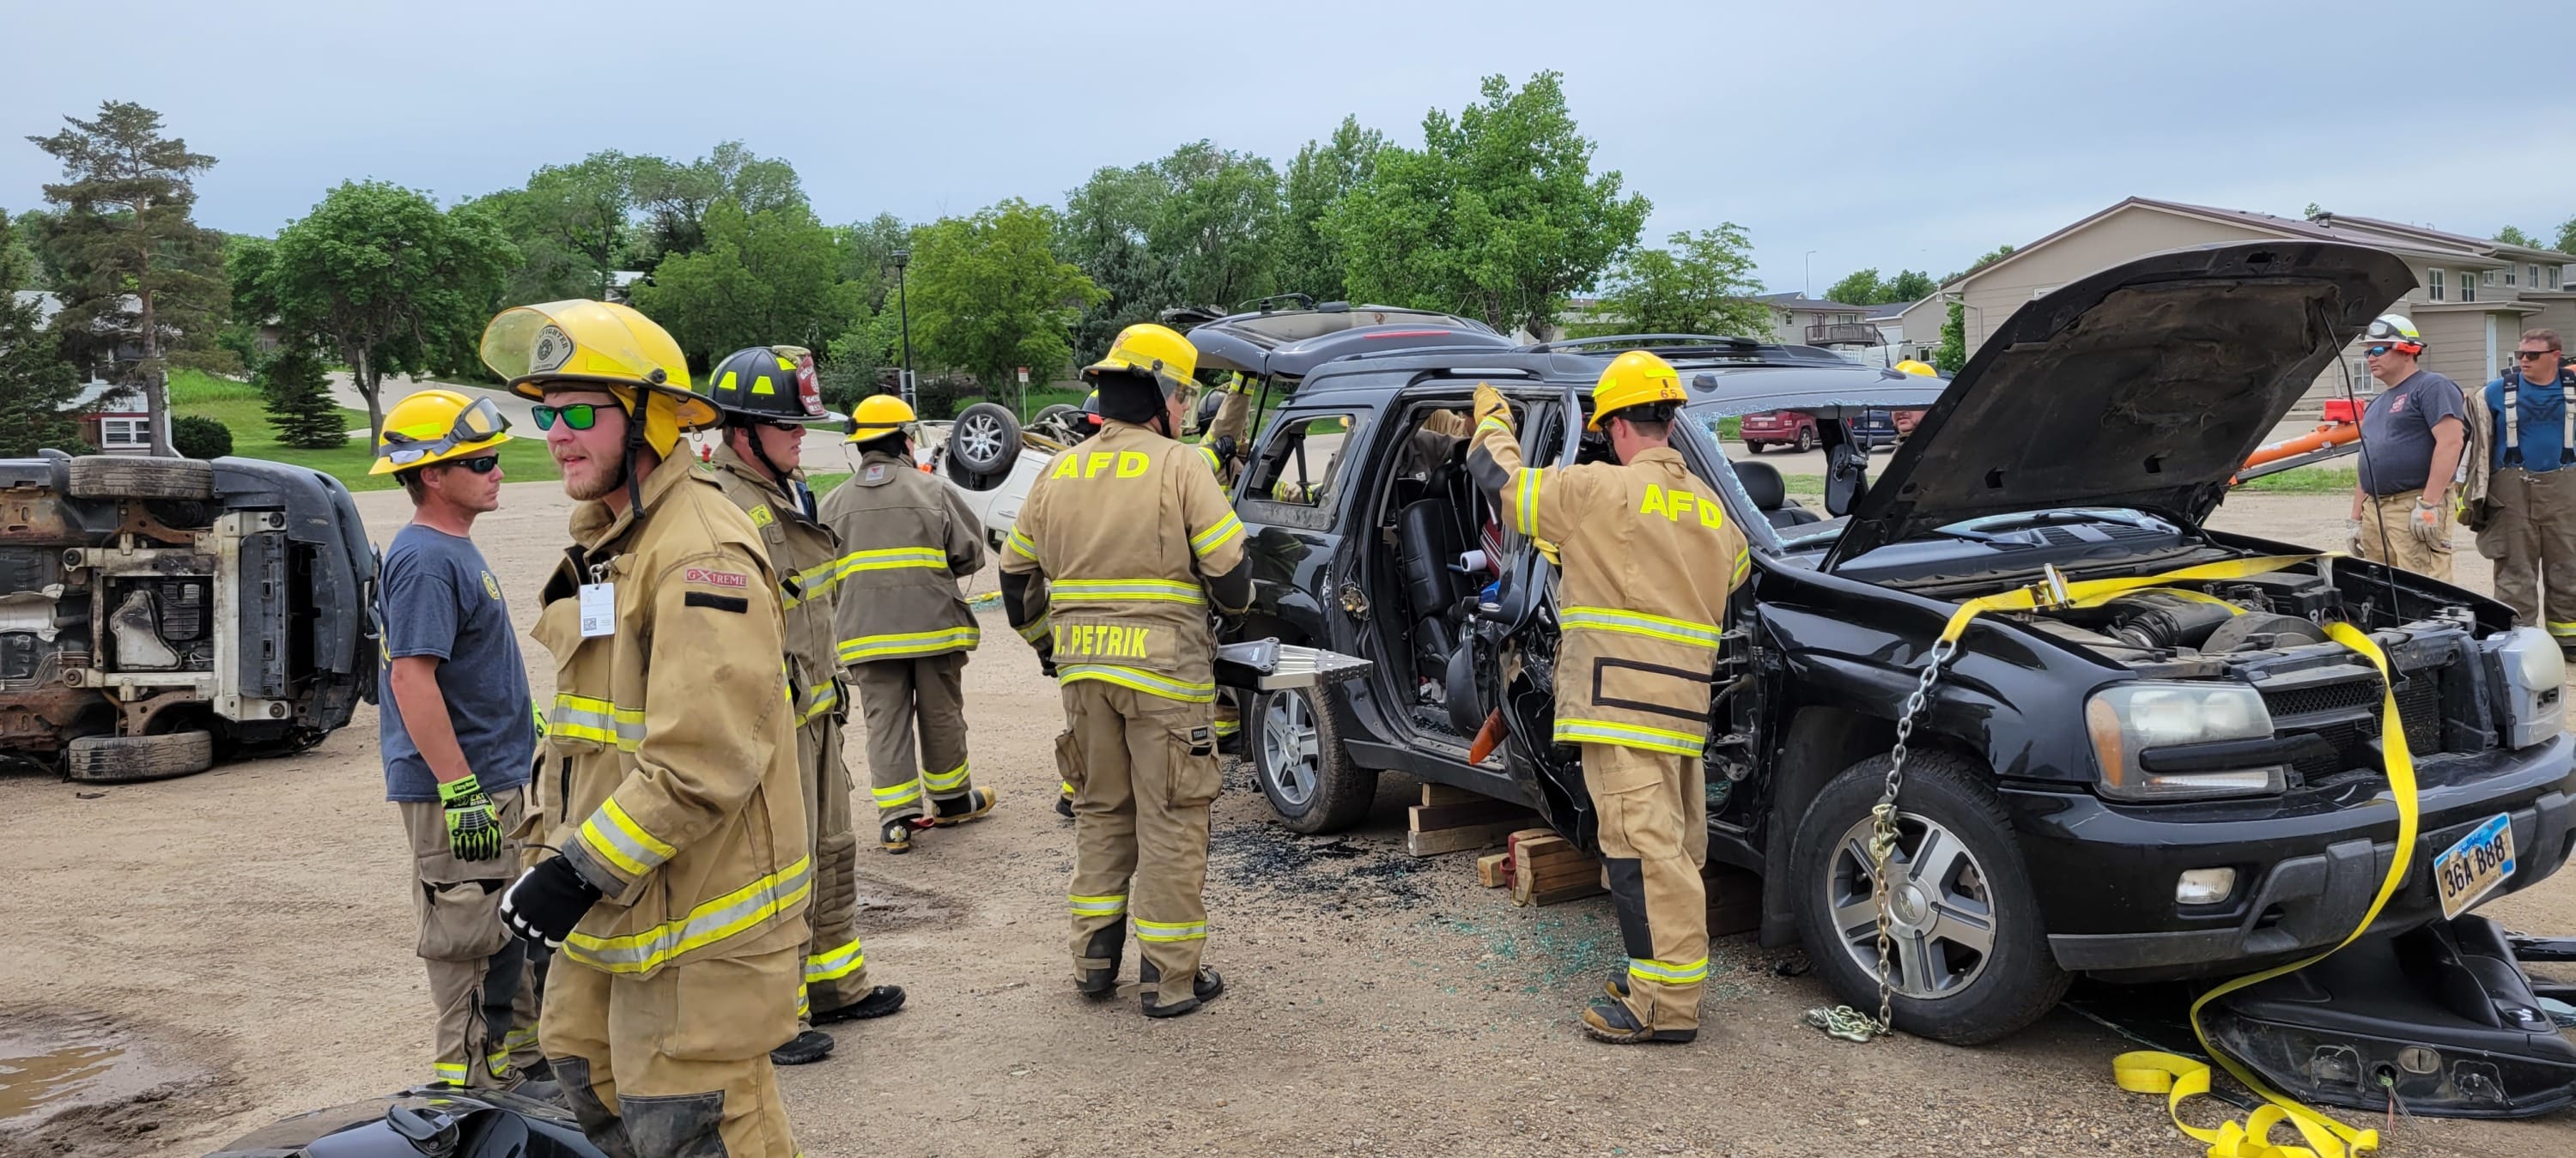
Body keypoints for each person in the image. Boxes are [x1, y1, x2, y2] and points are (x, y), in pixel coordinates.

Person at [487, 300, 806, 1158]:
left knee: (696, 1125)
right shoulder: (611, 540)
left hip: (698, 918)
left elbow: (702, 760)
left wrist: (573, 874)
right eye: (544, 411)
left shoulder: (700, 551)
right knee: (584, 1072)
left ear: (649, 414)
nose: (554, 432)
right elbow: (586, 736)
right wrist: (549, 856)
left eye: (579, 410)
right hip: (617, 904)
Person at [1465, 350, 1749, 1045]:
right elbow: (1731, 574)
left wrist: (1491, 420)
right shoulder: (1714, 511)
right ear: (1670, 424)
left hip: (1618, 705)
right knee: (1674, 848)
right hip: (1684, 710)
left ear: (1616, 427)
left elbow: (1501, 481)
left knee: (1640, 852)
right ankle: (1655, 976)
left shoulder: (1598, 491)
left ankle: (1664, 1006)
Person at [998, 322, 1251, 1018]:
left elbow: (1016, 581)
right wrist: (1232, 613)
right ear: (1166, 394)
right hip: (1167, 683)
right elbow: (1231, 575)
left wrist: (1051, 647)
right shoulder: (1182, 467)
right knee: (1171, 818)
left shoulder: (1060, 471)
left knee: (1101, 812)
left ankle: (1093, 963)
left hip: (1086, 681)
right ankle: (1169, 979)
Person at [691, 346, 906, 1069]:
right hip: (768, 727)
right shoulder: (722, 506)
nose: (801, 436)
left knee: (829, 852)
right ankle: (770, 1015)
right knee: (771, 869)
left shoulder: (786, 492)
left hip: (815, 714)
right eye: (787, 424)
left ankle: (834, 985)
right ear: (742, 429)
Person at [371, 389, 549, 1094]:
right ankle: (469, 1089)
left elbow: (468, 669)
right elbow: (413, 679)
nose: (497, 470)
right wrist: (458, 787)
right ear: (432, 475)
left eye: (496, 457)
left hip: (491, 775)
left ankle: (523, 1068)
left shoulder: (452, 548)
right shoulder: (425, 559)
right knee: (467, 936)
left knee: (507, 929)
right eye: (478, 461)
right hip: (462, 790)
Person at [817, 393, 998, 852]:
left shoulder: (832, 504)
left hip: (864, 637)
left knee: (885, 724)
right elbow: (970, 553)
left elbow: (820, 575)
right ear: (904, 440)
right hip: (933, 629)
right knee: (940, 716)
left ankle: (896, 822)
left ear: (858, 446)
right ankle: (953, 801)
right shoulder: (932, 491)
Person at [2474, 329, 2576, 646]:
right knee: (2514, 573)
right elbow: (2476, 450)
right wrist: (2475, 500)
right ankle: (2519, 643)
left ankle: (2569, 641)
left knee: (2569, 569)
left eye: (2532, 355)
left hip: (2567, 492)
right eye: (2520, 355)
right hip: (2511, 495)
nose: (2523, 361)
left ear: (2555, 357)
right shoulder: (2492, 393)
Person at [2348, 314, 2469, 581]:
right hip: (2376, 508)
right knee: (2382, 586)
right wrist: (2356, 518)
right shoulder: (2377, 403)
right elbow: (2367, 459)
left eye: (2379, 350)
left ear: (2408, 350)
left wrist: (2429, 504)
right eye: (2368, 352)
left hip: (2412, 503)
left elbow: (2451, 442)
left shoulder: (2431, 387)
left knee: (2423, 585)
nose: (2370, 358)